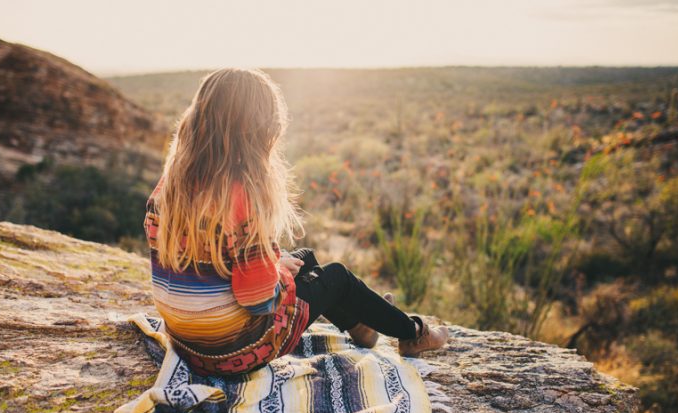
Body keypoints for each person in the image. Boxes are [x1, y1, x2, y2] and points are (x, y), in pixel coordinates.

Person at [143, 67, 449, 377]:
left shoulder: (171, 184)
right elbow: (257, 301)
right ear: (258, 127)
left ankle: (363, 328)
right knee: (337, 278)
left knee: (305, 259)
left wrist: (276, 264)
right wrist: (276, 276)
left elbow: (209, 258)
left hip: (187, 343)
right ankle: (412, 333)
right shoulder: (241, 192)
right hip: (234, 350)